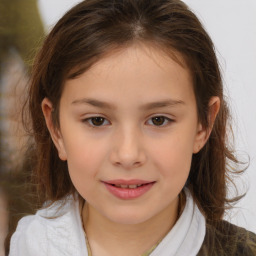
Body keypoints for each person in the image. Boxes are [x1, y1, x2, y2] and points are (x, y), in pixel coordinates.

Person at [8, 0, 256, 255]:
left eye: (159, 120)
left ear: (203, 125)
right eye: (97, 120)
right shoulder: (27, 245)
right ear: (55, 128)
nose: (127, 155)